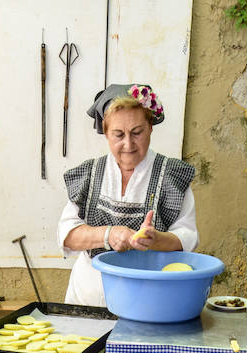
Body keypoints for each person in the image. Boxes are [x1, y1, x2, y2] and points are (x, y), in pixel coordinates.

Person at [58, 82, 199, 306]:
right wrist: (108, 234)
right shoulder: (90, 174)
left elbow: (188, 237)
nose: (128, 144)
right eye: (118, 134)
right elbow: (67, 235)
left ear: (150, 127)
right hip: (86, 300)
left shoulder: (172, 176)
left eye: (137, 132)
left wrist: (156, 239)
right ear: (105, 133)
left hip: (148, 301)